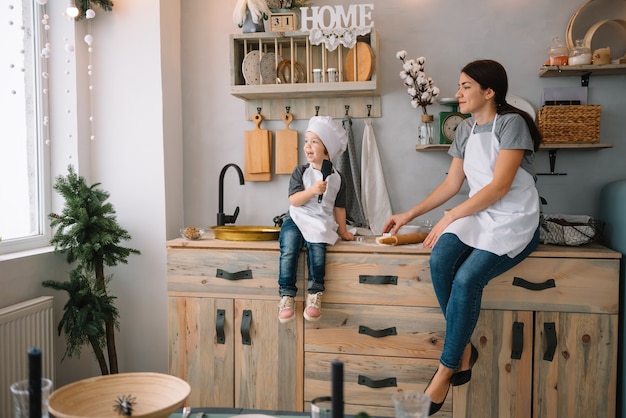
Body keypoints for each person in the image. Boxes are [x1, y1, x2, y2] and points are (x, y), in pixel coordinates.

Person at [383, 59, 542, 416]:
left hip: (514, 215)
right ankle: (464, 349)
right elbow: (452, 185)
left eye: (465, 86)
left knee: (468, 278)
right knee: (440, 258)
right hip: (480, 211)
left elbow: (500, 186)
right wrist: (409, 214)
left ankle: (446, 367)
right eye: (459, 86)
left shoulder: (512, 124)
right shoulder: (465, 130)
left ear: (489, 92)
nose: (457, 94)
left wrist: (453, 215)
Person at [278, 115, 355, 324]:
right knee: (289, 248)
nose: (307, 146)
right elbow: (294, 200)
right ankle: (287, 295)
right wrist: (312, 190)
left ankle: (314, 296)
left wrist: (343, 231)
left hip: (320, 221)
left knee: (318, 250)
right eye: (306, 141)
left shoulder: (338, 178)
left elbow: (339, 208)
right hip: (296, 218)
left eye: (314, 141)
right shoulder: (300, 172)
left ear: (327, 150)